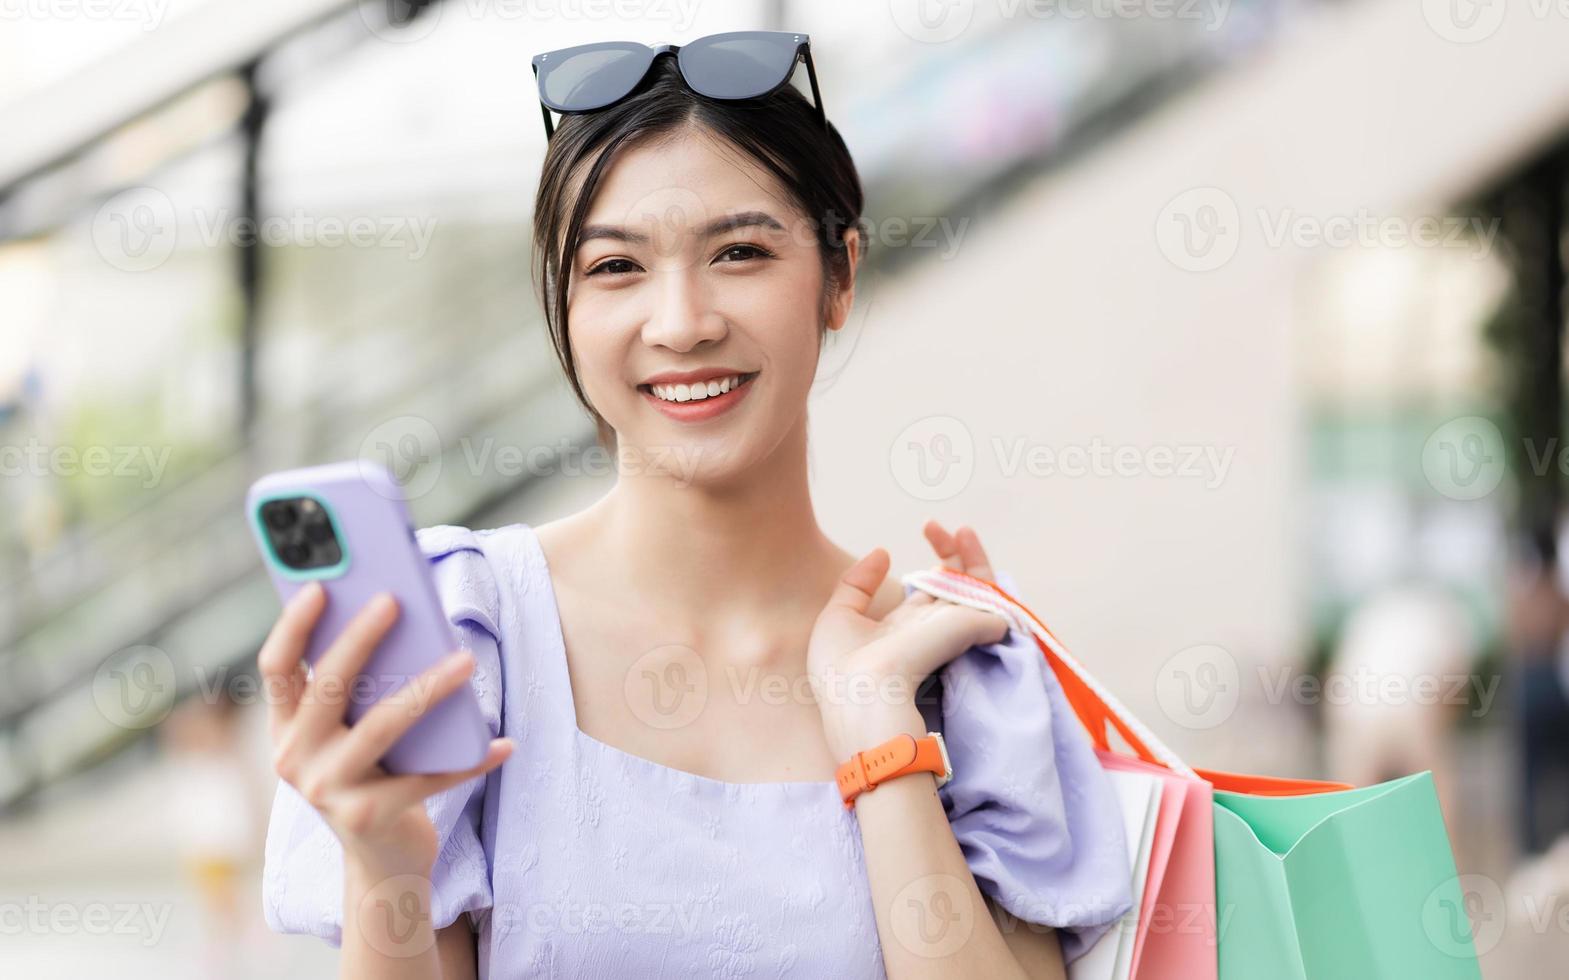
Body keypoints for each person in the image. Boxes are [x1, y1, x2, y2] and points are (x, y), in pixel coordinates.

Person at [256, 32, 1131, 979]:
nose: (681, 323)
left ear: (839, 275)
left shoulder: (948, 666)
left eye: (740, 251)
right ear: (563, 306)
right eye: (615, 268)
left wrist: (879, 736)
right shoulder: (472, 636)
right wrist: (385, 868)